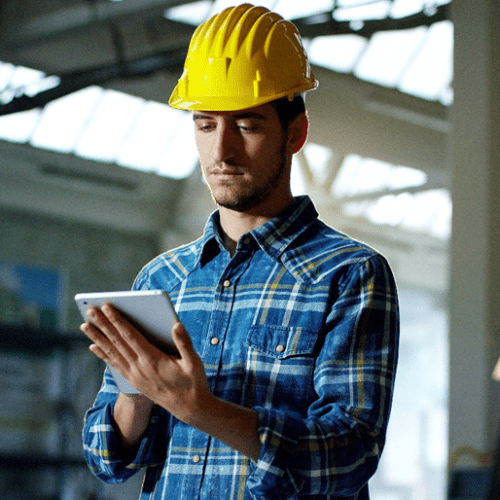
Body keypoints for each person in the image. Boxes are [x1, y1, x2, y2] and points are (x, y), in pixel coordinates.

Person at [81, 4, 399, 500]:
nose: (221, 152)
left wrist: (196, 406)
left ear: (295, 133)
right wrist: (137, 392)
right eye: (205, 125)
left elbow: (348, 455)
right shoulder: (160, 278)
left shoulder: (350, 274)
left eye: (246, 126)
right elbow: (107, 460)